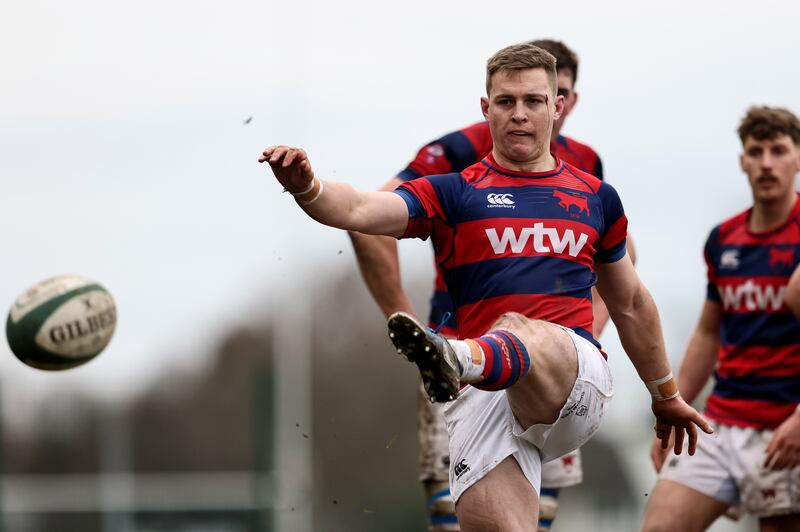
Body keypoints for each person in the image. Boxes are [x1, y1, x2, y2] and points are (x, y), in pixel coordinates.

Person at [260, 43, 710, 531]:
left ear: (557, 106)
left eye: (533, 101)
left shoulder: (596, 196)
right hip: (483, 396)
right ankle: (460, 361)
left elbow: (632, 302)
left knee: (518, 329)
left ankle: (456, 357)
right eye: (506, 102)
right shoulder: (454, 191)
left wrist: (664, 392)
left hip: (572, 379)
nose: (519, 115)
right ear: (485, 109)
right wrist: (307, 186)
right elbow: (360, 211)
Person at [347, 38, 613, 532]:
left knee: (537, 521)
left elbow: (619, 263)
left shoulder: (586, 164)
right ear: (495, 101)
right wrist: (406, 325)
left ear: (563, 101)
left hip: (551, 372)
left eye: (558, 95)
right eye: (515, 98)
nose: (531, 110)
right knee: (455, 522)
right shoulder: (456, 151)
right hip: (459, 359)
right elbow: (366, 218)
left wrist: (585, 336)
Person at [641, 106, 800, 532]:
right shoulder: (724, 239)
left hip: (784, 428)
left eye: (779, 150)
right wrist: (677, 406)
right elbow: (708, 334)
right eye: (756, 151)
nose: (767, 163)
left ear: (797, 159)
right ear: (742, 161)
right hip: (722, 421)